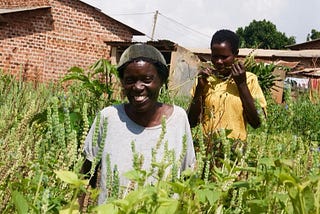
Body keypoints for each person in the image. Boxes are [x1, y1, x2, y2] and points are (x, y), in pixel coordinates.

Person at [80, 43, 196, 206]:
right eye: (130, 80)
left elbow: (187, 176)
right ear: (122, 82)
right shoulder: (108, 118)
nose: (138, 87)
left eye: (147, 80)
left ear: (162, 80)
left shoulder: (178, 119)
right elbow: (86, 175)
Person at [188, 29, 267, 142]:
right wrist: (199, 89)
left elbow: (258, 122)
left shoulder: (249, 80)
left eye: (224, 57)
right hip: (207, 150)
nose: (219, 61)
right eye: (215, 56)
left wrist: (241, 84)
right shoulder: (204, 80)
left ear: (236, 54)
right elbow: (191, 122)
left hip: (235, 151)